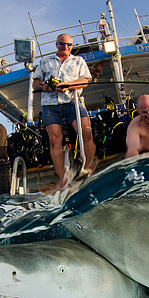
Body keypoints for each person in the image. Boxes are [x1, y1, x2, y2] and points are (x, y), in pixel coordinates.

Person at [32, 34, 96, 189]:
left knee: (86, 131)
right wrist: (45, 86)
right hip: (50, 104)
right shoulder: (45, 61)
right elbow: (35, 83)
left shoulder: (78, 61)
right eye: (62, 44)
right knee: (55, 140)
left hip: (72, 101)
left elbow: (85, 80)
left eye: (69, 44)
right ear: (56, 44)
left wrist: (68, 85)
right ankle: (63, 178)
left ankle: (87, 168)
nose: (65, 47)